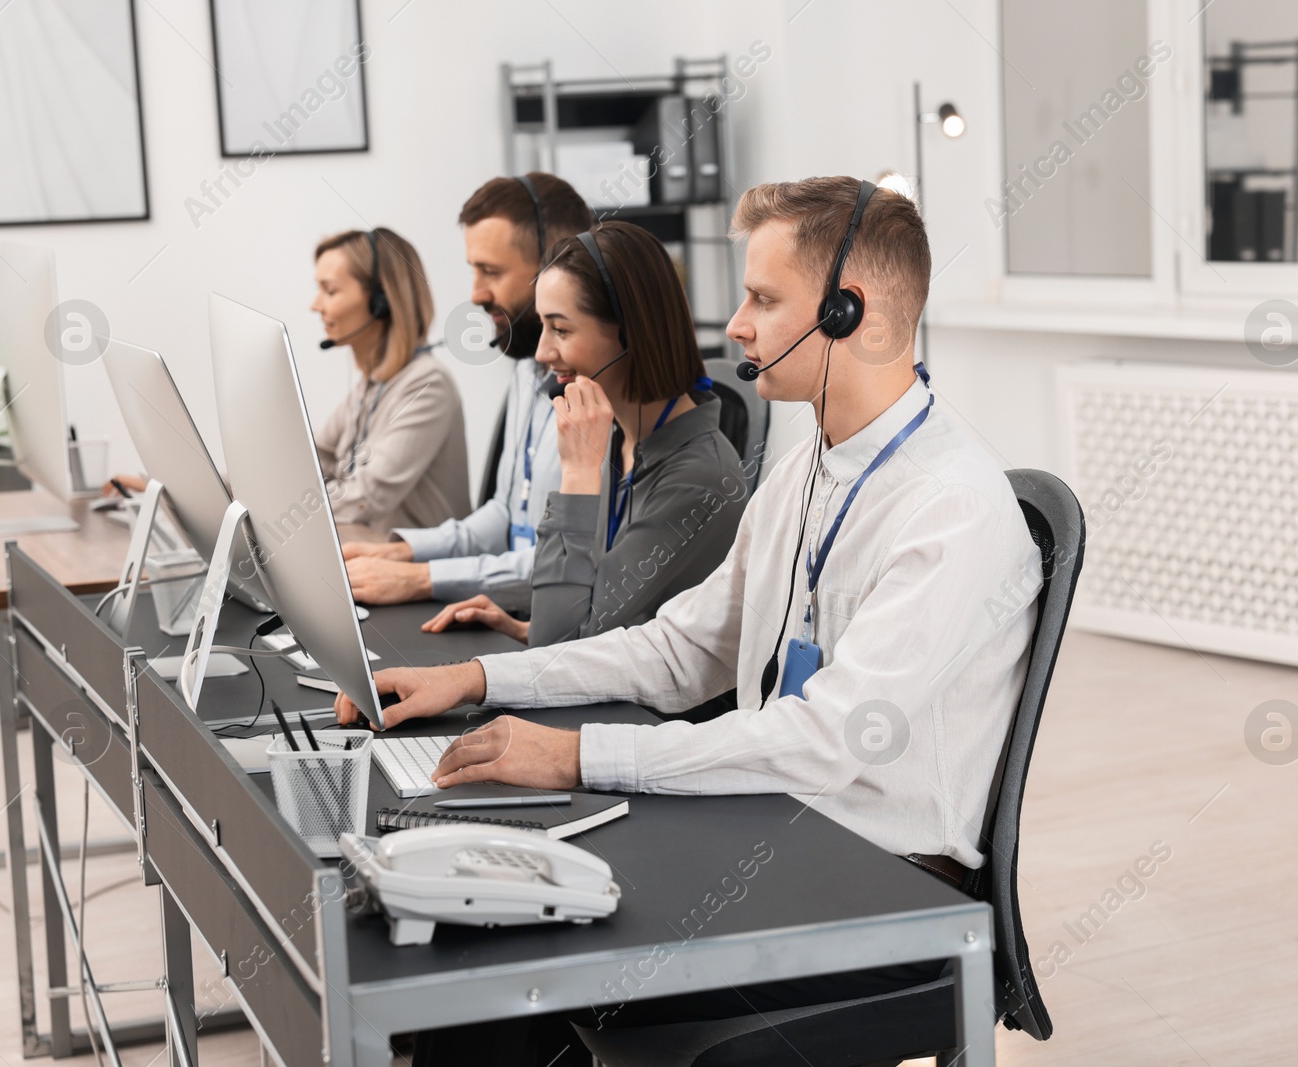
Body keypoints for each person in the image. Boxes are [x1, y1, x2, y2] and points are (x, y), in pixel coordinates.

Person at [338, 177, 1042, 1060]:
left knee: (518, 965)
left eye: (763, 298)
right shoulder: (804, 471)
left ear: (845, 312)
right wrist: (479, 678)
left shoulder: (952, 508)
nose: (737, 325)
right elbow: (683, 649)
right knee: (488, 940)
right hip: (777, 828)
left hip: (881, 886)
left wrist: (577, 750)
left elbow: (825, 738)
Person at [419, 221, 748, 647]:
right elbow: (589, 621)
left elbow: (558, 647)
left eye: (561, 329)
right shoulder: (621, 436)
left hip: (651, 713)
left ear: (631, 334)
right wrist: (520, 628)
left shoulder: (697, 479)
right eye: (542, 327)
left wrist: (577, 476)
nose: (542, 352)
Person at [342, 174, 591, 610]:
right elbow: (506, 516)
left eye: (490, 272)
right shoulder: (527, 371)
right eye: (473, 270)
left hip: (549, 621)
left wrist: (421, 579)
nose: (475, 293)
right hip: (509, 607)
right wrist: (402, 552)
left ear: (556, 267)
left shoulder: (604, 399)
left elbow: (571, 562)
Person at [311, 226, 469, 534]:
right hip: (369, 556)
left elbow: (365, 498)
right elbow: (316, 456)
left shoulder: (427, 385)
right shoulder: (370, 387)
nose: (315, 305)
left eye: (329, 291)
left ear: (381, 301)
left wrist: (284, 513)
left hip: (420, 574)